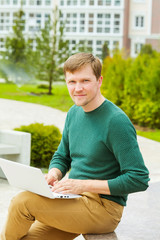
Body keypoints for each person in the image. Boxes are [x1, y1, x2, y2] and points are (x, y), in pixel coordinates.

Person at [1, 52, 149, 240]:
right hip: (72, 200)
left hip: (104, 209)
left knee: (22, 202)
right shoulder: (74, 112)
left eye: (85, 81)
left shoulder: (116, 122)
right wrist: (54, 173)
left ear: (99, 80)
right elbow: (63, 156)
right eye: (72, 82)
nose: (77, 88)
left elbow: (139, 178)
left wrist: (82, 185)